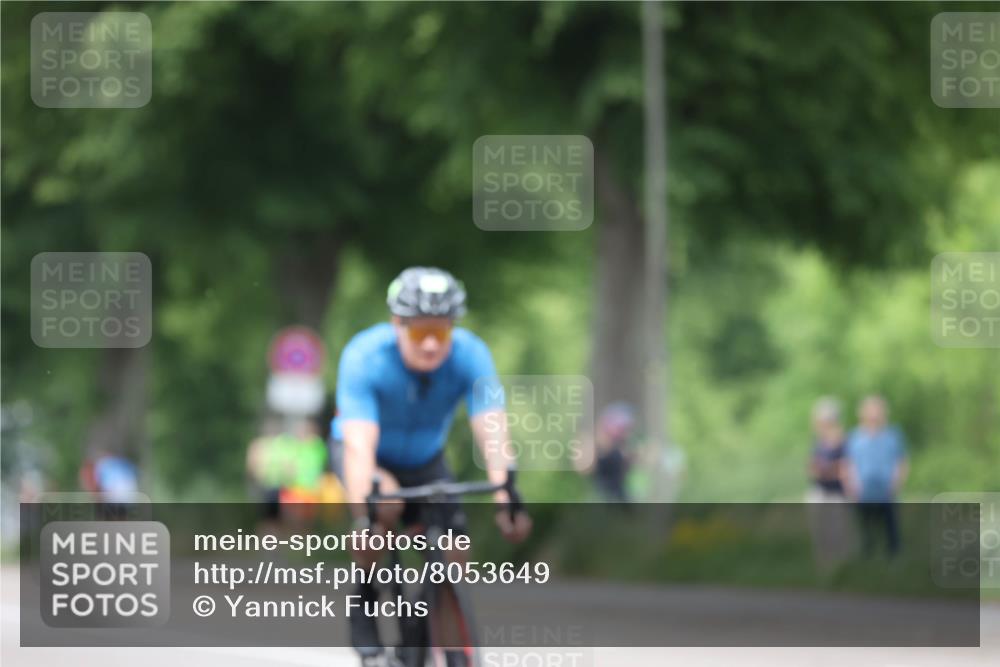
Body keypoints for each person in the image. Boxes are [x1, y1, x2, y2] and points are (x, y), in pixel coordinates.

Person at [330, 266, 531, 666]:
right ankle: (367, 606)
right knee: (382, 511)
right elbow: (359, 446)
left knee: (455, 551)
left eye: (441, 333)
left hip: (426, 459)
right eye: (421, 332)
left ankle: (427, 625)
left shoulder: (471, 355)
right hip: (368, 455)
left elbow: (492, 432)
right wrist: (363, 519)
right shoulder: (365, 357)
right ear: (397, 325)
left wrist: (507, 495)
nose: (430, 345)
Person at [843, 395, 909, 557]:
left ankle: (894, 558)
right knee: (865, 528)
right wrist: (850, 484)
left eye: (877, 410)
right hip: (862, 490)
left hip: (886, 489)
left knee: (891, 528)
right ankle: (867, 559)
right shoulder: (854, 436)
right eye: (870, 410)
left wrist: (897, 482)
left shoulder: (893, 435)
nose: (873, 414)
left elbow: (901, 461)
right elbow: (848, 463)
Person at [805, 397, 856, 573]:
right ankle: (824, 568)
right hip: (820, 491)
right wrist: (827, 470)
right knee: (820, 531)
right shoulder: (818, 441)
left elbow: (845, 469)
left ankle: (842, 568)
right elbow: (812, 468)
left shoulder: (844, 440)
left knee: (839, 531)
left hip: (838, 493)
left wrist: (826, 470)